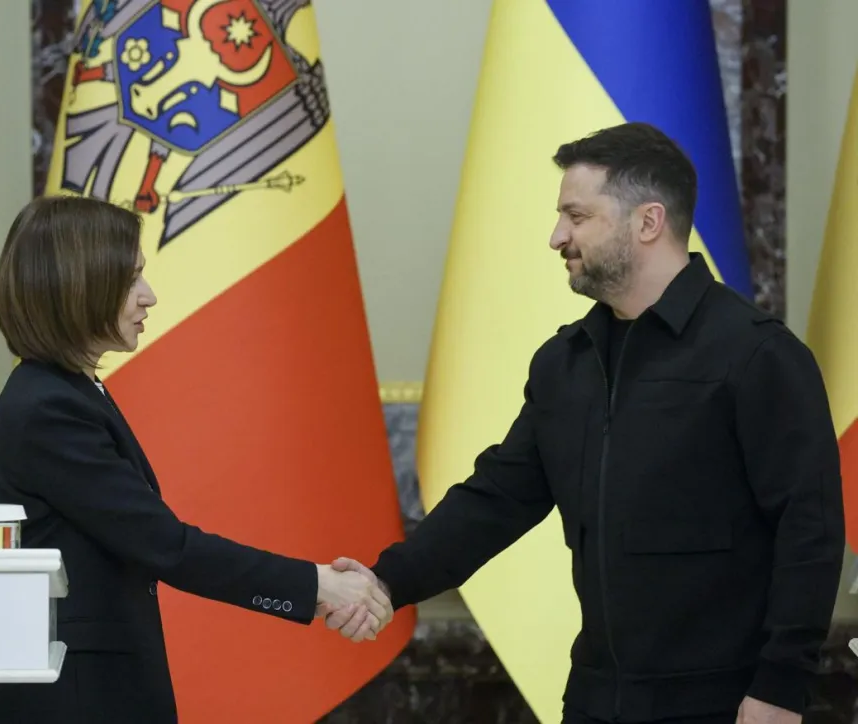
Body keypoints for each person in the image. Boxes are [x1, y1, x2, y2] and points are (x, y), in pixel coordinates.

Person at [324, 122, 845, 724]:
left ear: (647, 223)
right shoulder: (564, 363)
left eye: (577, 216)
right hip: (596, 699)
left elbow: (809, 530)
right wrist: (387, 582)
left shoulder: (757, 356)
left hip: (724, 703)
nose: (556, 237)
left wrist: (781, 687)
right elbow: (495, 500)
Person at [0, 196, 391, 724]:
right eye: (131, 280)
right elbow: (164, 545)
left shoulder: (68, 391)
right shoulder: (48, 407)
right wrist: (317, 586)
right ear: (79, 285)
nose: (148, 297)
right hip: (71, 702)